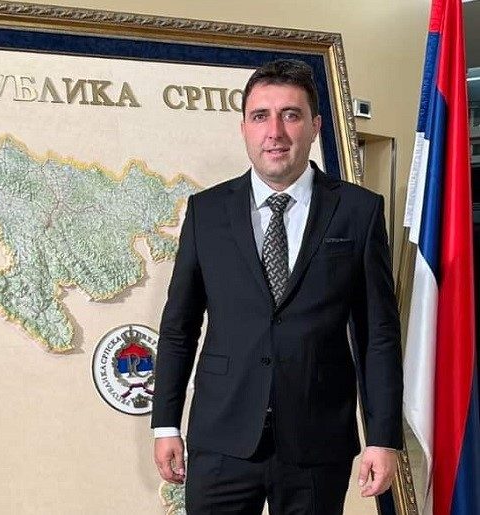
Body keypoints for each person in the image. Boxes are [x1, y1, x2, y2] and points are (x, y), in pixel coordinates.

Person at [150, 59, 403, 514]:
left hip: (317, 440)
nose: (275, 132)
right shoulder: (206, 212)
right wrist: (165, 423)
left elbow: (378, 336)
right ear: (244, 128)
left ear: (315, 126)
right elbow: (178, 328)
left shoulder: (358, 211)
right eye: (260, 116)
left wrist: (383, 438)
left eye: (291, 115)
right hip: (222, 437)